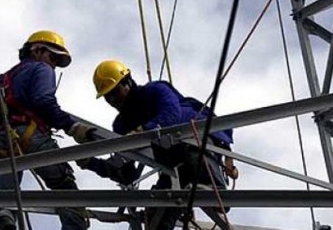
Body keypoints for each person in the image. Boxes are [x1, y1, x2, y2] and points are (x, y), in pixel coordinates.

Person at [84, 59, 235, 229]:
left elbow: (171, 115)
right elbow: (127, 173)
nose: (112, 100)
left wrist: (143, 131)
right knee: (157, 215)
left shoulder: (155, 90)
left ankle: (210, 186)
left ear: (127, 82)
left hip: (194, 141)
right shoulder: (121, 125)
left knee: (190, 146)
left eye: (115, 92)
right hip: (172, 165)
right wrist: (92, 163)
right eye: (107, 96)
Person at [0, 30, 94, 230]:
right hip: (31, 134)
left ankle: (4, 219)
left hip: (0, 141)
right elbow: (43, 100)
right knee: (65, 190)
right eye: (53, 57)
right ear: (37, 50)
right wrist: (71, 126)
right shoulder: (41, 69)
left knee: (5, 200)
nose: (53, 64)